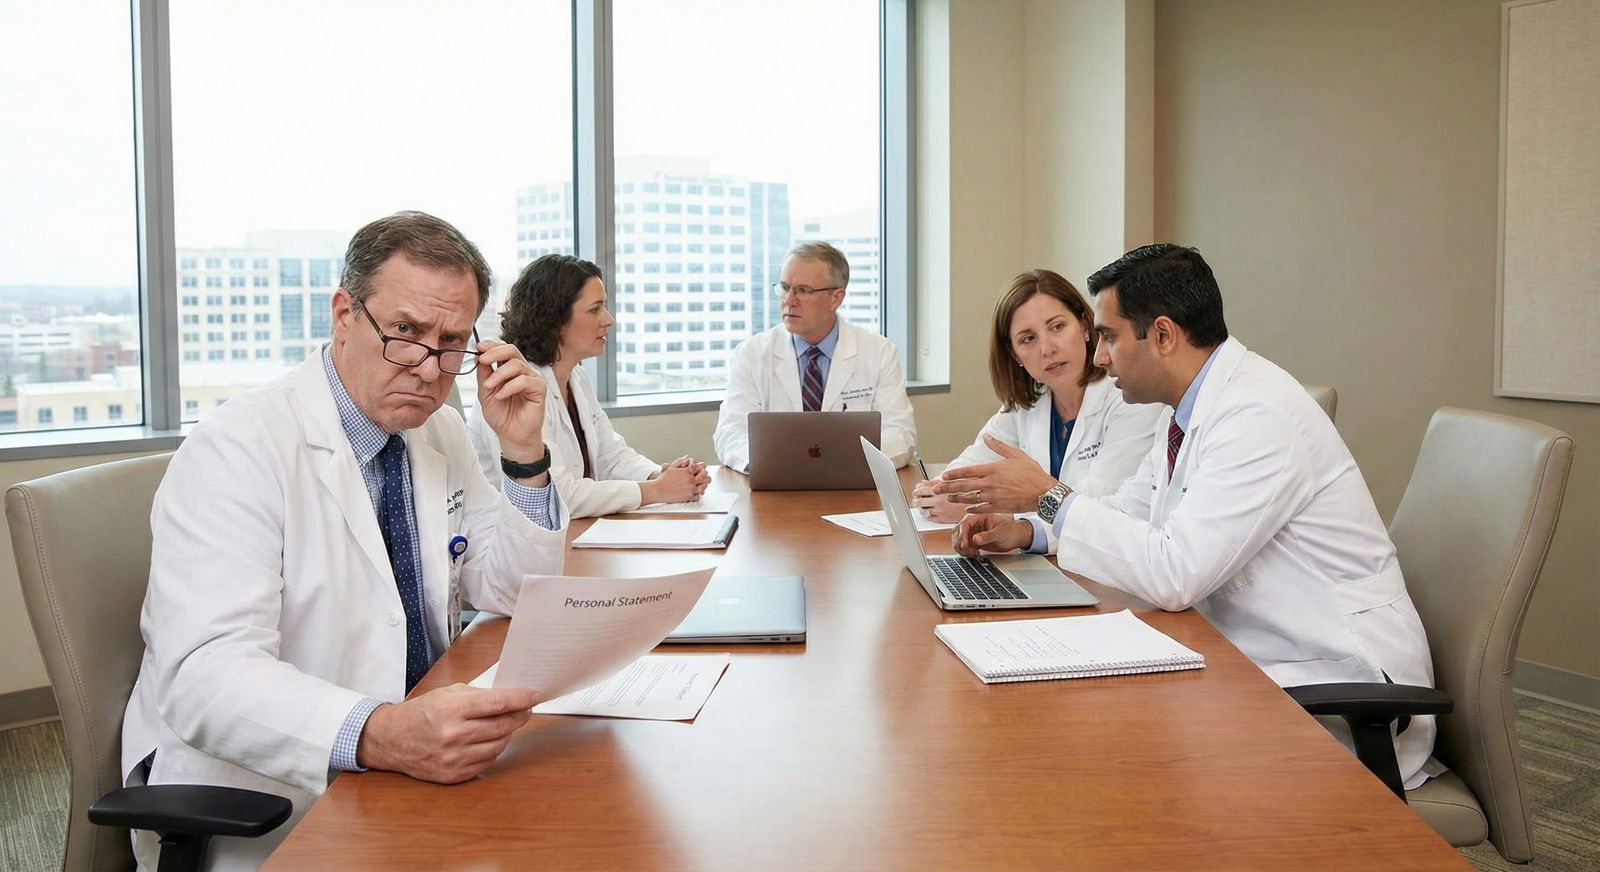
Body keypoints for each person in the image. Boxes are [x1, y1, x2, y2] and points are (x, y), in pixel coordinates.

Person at [122, 212, 567, 870]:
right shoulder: (238, 447)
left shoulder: (438, 432)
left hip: (419, 755)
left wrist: (524, 452)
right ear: (343, 314)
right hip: (270, 787)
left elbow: (509, 588)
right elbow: (202, 678)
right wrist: (383, 733)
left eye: (451, 342)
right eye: (406, 333)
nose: (427, 366)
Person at [941, 244, 1438, 789]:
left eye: (1106, 335)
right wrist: (1028, 531)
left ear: (1162, 335)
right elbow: (1130, 512)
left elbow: (1176, 574)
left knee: (1099, 741)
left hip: (1340, 686)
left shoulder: (1257, 415)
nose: (1099, 357)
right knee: (1078, 713)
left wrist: (1048, 496)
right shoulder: (1187, 411)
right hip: (1250, 652)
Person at [467, 254, 710, 518]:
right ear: (554, 318)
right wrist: (656, 491)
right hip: (517, 543)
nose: (609, 319)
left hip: (573, 534)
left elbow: (611, 455)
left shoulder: (576, 378)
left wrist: (661, 476)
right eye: (595, 309)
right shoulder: (512, 388)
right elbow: (555, 496)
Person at [910, 268, 1162, 523]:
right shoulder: (1027, 403)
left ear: (1085, 326)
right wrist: (938, 493)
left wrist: (987, 507)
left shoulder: (1130, 396)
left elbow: (1100, 503)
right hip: (1044, 556)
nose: (1047, 349)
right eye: (1028, 339)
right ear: (1014, 355)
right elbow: (966, 471)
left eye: (1057, 327)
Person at [713, 240, 917, 470]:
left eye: (803, 290)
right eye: (784, 288)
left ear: (836, 298)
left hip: (854, 484)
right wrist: (768, 465)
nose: (789, 301)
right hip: (777, 486)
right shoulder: (752, 354)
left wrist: (845, 463)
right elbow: (731, 432)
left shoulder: (879, 352)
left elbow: (900, 433)